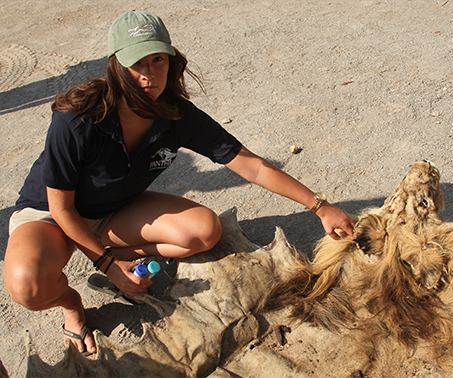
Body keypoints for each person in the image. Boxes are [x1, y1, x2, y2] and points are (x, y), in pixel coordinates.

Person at [3, 10, 355, 356]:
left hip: (113, 214)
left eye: (158, 59)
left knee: (204, 230)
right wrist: (109, 265)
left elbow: (252, 166)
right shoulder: (78, 117)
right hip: (49, 216)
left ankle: (117, 260)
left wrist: (319, 207)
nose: (149, 74)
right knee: (27, 286)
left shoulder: (176, 114)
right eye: (136, 62)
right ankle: (71, 302)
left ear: (172, 61)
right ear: (116, 66)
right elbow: (61, 208)